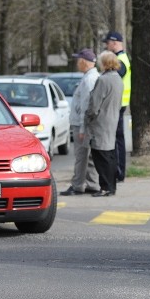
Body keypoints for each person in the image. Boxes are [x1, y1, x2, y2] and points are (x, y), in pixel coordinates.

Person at [82, 50, 124, 197]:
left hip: (100, 123)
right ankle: (111, 187)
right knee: (110, 155)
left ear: (104, 63)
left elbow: (94, 104)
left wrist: (88, 117)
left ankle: (105, 187)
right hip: (112, 119)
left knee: (100, 157)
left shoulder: (103, 80)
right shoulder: (118, 78)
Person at [60, 48, 100, 196]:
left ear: (84, 62)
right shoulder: (89, 77)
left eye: (78, 60)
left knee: (81, 156)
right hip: (83, 123)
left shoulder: (89, 79)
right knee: (87, 156)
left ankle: (77, 185)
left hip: (81, 124)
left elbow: (85, 105)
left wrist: (83, 128)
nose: (77, 63)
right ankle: (92, 183)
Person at [103, 31, 131, 182]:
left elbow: (113, 79)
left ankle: (119, 172)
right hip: (119, 104)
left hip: (118, 105)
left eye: (108, 43)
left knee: (117, 140)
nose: (107, 46)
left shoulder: (120, 61)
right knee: (117, 139)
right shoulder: (122, 58)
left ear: (114, 43)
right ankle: (118, 171)